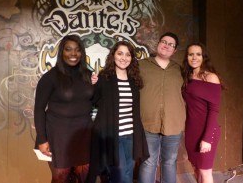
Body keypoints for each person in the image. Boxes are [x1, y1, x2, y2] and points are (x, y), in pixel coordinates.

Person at [86, 40, 149, 183]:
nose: (123, 58)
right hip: (113, 136)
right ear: (113, 55)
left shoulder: (134, 80)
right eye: (120, 53)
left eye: (128, 55)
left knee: (128, 172)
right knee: (119, 174)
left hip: (131, 135)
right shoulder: (104, 78)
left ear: (132, 58)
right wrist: (92, 85)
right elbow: (93, 101)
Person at [34, 35, 94, 183]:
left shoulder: (88, 75)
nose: (73, 54)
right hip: (59, 136)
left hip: (84, 135)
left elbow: (95, 100)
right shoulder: (50, 77)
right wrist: (42, 139)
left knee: (84, 176)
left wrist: (97, 85)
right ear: (61, 52)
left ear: (82, 53)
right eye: (68, 49)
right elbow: (39, 109)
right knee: (61, 177)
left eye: (77, 50)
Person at [139, 32, 186, 183]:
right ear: (158, 43)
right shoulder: (142, 65)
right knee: (148, 162)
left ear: (175, 50)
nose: (166, 45)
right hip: (147, 123)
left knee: (169, 162)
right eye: (164, 41)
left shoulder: (180, 70)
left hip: (173, 124)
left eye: (171, 44)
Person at [181, 42, 224, 183]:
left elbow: (214, 110)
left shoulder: (210, 77)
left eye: (198, 54)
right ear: (186, 57)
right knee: (196, 169)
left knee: (205, 172)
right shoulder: (188, 77)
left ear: (203, 57)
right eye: (191, 54)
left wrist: (206, 138)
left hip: (207, 132)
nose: (194, 57)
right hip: (191, 131)